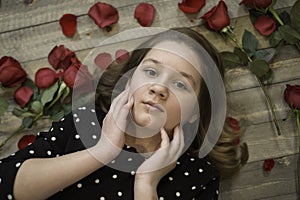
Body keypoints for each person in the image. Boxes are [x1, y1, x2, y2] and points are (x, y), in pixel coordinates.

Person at [0, 27, 248, 200]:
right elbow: (6, 184)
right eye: (151, 72)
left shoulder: (198, 176)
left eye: (181, 84)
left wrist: (146, 185)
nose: (159, 88)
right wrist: (102, 151)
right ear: (129, 80)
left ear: (195, 112)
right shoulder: (84, 122)